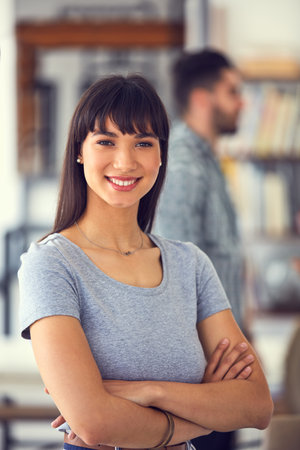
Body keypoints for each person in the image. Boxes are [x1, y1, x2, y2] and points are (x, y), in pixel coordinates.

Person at [18, 74, 273, 450]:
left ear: (160, 155)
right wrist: (200, 416)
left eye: (143, 142)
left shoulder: (191, 264)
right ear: (79, 150)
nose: (125, 161)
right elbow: (94, 423)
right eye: (106, 141)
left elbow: (256, 405)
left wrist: (148, 392)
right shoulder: (51, 264)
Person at [154, 48, 246, 450]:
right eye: (232, 91)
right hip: (204, 372)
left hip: (223, 362)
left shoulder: (208, 162)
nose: (242, 102)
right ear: (202, 99)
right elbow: (174, 276)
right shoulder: (184, 167)